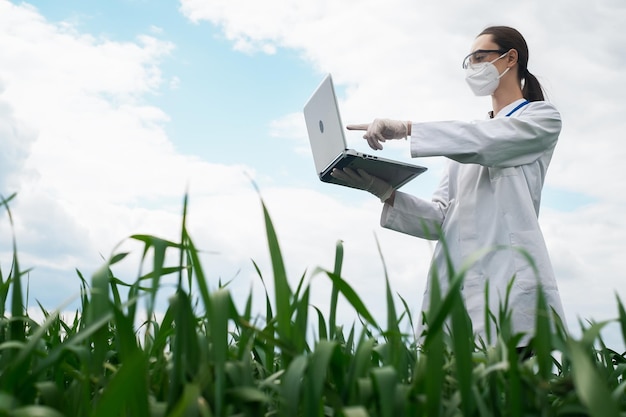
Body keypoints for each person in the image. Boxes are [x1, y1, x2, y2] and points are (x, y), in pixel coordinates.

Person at [331, 26, 566, 348]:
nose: (473, 68)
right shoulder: (460, 146)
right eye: (469, 62)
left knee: (516, 388)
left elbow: (488, 141)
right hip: (458, 284)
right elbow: (440, 221)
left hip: (511, 280)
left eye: (480, 58)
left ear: (511, 58)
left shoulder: (541, 119)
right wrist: (384, 191)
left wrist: (407, 129)